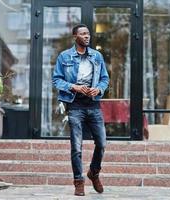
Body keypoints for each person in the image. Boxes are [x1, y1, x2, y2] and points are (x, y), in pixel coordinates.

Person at [52, 24, 109, 196]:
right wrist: (73, 87)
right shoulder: (64, 56)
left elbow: (105, 78)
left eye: (88, 34)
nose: (87, 36)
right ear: (75, 37)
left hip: (93, 105)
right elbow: (56, 80)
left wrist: (98, 89)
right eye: (83, 34)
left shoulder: (97, 56)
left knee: (102, 143)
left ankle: (94, 172)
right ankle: (78, 181)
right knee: (76, 147)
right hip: (75, 106)